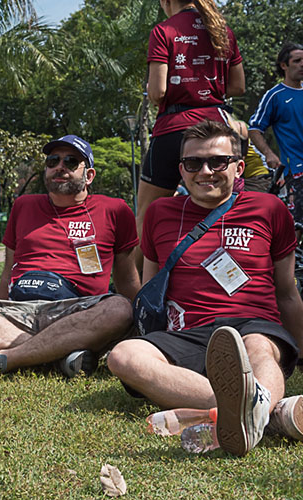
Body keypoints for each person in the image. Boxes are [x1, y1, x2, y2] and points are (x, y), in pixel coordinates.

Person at [107, 120, 303, 457]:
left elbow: (287, 292)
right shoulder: (159, 213)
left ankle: (242, 409)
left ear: (239, 167)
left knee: (256, 346)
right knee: (123, 356)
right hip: (187, 335)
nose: (206, 171)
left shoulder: (269, 209)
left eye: (218, 161)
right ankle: (264, 412)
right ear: (181, 170)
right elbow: (154, 289)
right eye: (193, 163)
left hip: (253, 326)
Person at [0, 135, 139, 378]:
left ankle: (7, 359)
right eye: (53, 161)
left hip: (77, 311)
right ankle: (60, 355)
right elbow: (8, 272)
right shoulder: (23, 205)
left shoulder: (115, 210)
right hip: (18, 312)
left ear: (89, 175)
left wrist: (142, 326)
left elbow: (127, 279)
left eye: (71, 162)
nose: (59, 167)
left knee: (119, 309)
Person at [136, 0, 244, 255]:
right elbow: (238, 86)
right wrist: (207, 90)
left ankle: (134, 279)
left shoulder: (164, 30)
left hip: (174, 128)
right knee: (225, 211)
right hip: (218, 130)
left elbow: (158, 92)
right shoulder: (223, 30)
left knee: (146, 215)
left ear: (166, 1)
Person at [249, 43, 303, 222]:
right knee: (297, 224)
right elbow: (254, 129)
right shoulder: (275, 96)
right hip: (296, 170)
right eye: (297, 61)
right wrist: (269, 154)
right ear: (284, 65)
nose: (302, 64)